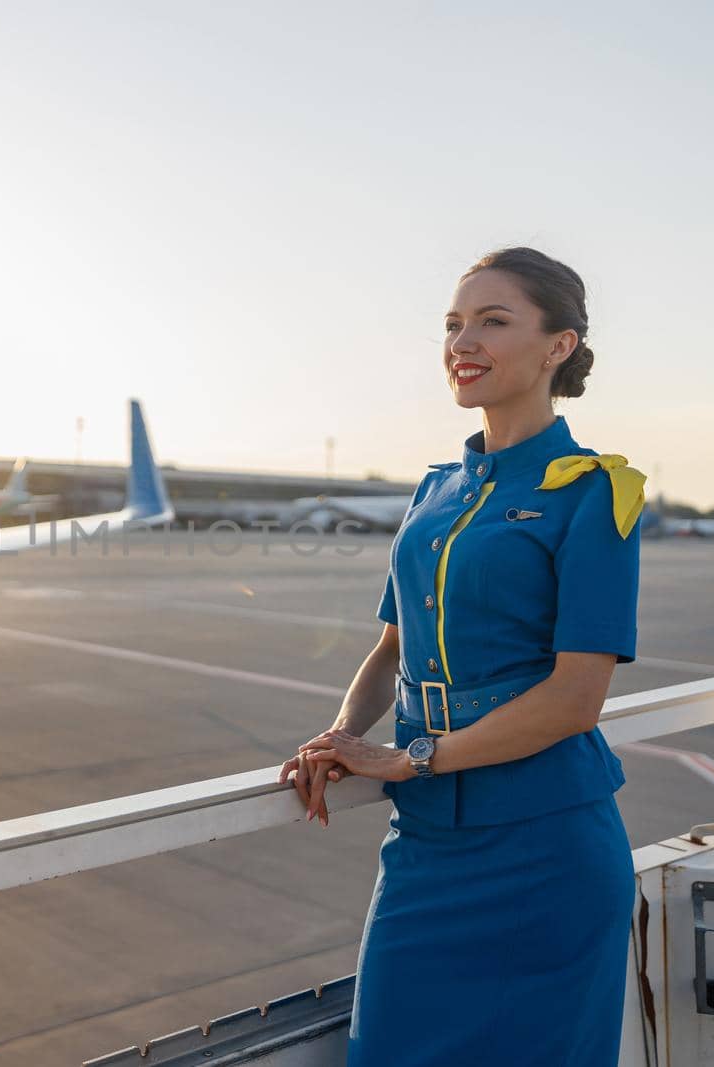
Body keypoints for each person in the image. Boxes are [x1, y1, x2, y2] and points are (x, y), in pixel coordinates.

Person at [277, 246, 647, 1065]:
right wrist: (340, 734)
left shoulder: (593, 492)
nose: (462, 342)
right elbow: (389, 649)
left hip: (550, 845)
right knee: (386, 1047)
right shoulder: (434, 491)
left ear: (559, 345)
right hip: (429, 852)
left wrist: (408, 757)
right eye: (453, 324)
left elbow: (575, 699)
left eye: (493, 320)